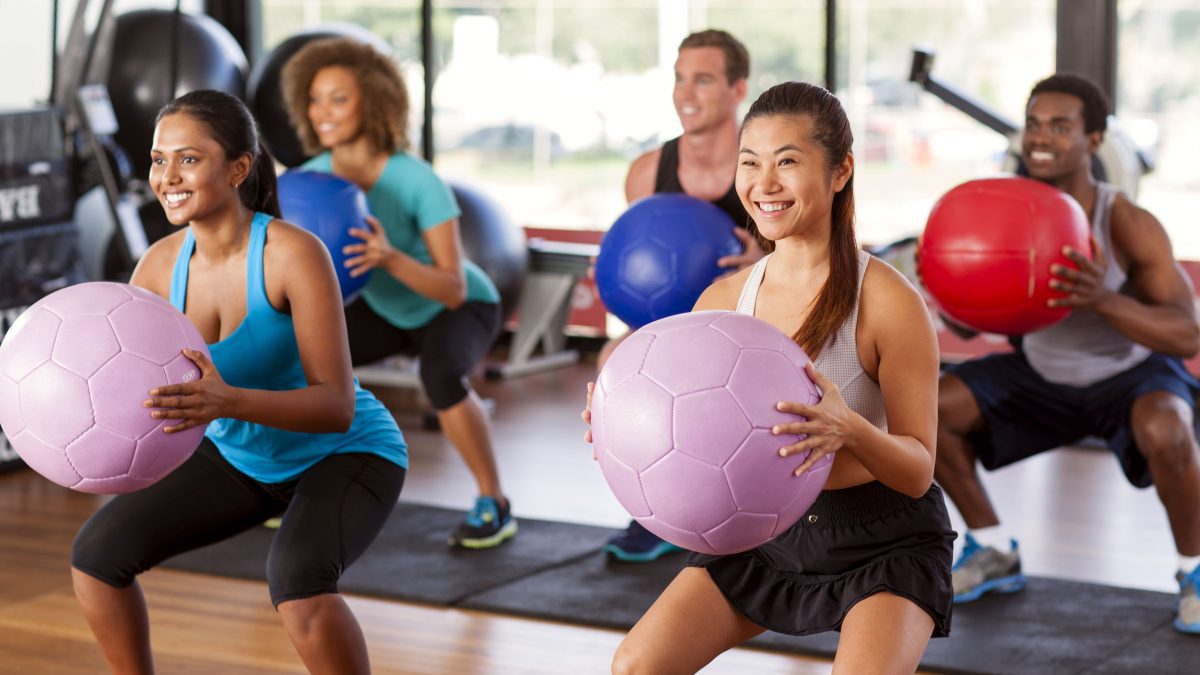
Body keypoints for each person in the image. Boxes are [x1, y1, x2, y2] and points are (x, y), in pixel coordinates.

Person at [584, 81, 955, 674]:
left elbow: (917, 472)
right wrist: (618, 426)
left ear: (841, 172)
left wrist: (849, 430)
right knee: (636, 665)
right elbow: (682, 422)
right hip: (762, 532)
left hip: (882, 539)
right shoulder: (723, 299)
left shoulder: (888, 301)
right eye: (750, 163)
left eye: (788, 162)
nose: (764, 184)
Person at [70, 90, 407, 675]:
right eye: (157, 159)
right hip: (242, 457)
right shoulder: (155, 267)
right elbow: (132, 387)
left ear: (239, 167)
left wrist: (226, 401)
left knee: (298, 582)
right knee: (96, 559)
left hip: (347, 451)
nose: (168, 177)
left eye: (189, 159)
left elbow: (335, 405)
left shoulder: (292, 254)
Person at [935, 73, 1200, 634]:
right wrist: (948, 300)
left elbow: (1187, 336)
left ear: (1095, 140)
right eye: (1033, 123)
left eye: (1060, 125)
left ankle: (1195, 570)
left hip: (1128, 375)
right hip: (1042, 375)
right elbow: (988, 319)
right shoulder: (1004, 207)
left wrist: (1102, 299)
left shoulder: (1124, 220)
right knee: (927, 408)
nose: (1041, 137)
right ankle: (992, 548)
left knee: (1169, 428)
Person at [280, 37, 516, 549]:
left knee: (441, 374)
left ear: (374, 102)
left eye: (338, 98)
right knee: (300, 364)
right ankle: (291, 486)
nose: (322, 112)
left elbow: (453, 286)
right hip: (387, 306)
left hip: (458, 303)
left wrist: (389, 257)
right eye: (316, 99)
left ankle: (493, 502)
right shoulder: (308, 182)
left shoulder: (416, 180)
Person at [602, 28, 764, 562]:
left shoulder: (765, 167)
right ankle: (657, 508)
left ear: (738, 88)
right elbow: (636, 271)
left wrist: (764, 263)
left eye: (703, 79)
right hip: (672, 331)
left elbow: (820, 263)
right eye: (678, 79)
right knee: (610, 361)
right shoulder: (647, 171)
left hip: (756, 330)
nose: (686, 92)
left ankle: (752, 507)